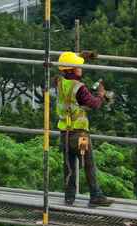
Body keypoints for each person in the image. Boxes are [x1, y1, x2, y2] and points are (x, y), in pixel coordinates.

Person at [56, 51, 110, 207]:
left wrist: (81, 55)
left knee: (69, 166)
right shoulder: (79, 87)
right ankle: (95, 195)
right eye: (79, 65)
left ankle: (69, 197)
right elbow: (94, 104)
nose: (82, 68)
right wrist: (101, 95)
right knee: (88, 164)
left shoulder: (59, 82)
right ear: (72, 69)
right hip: (80, 135)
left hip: (64, 133)